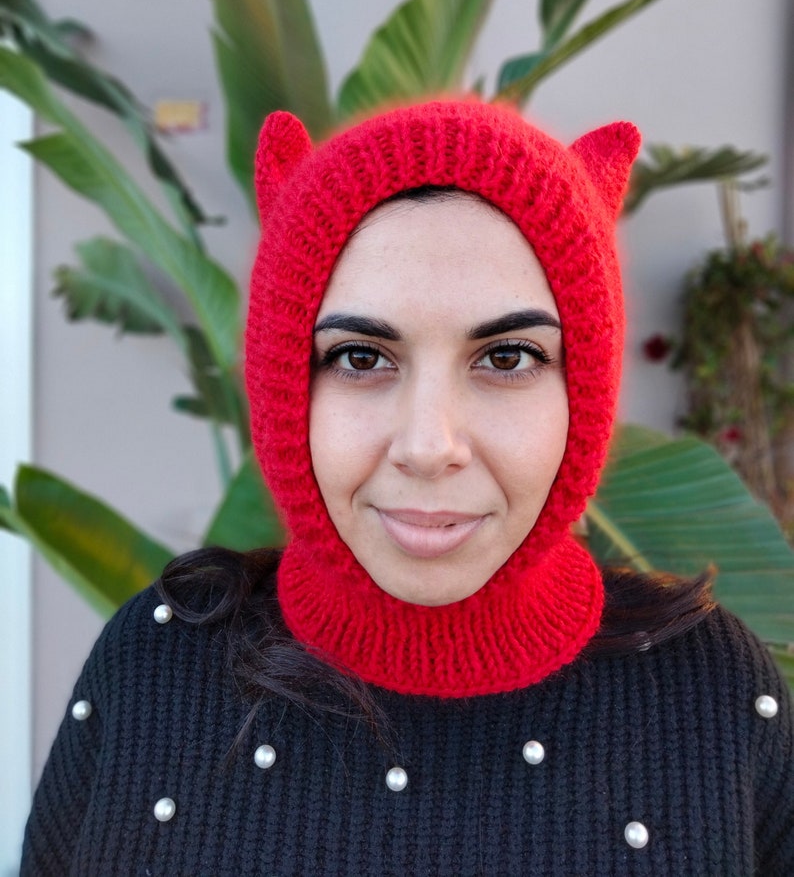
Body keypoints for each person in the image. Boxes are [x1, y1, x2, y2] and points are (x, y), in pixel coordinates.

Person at [21, 98, 793, 876]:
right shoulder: (153, 664)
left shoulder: (715, 690)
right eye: (360, 357)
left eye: (507, 357)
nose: (430, 447)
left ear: (582, 393)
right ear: (288, 386)